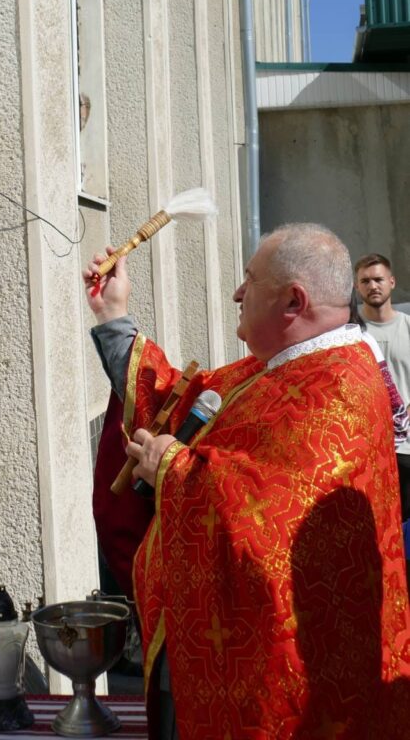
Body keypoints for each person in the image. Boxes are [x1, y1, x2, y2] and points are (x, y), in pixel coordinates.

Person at [84, 223, 410, 739]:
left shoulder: (339, 386)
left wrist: (172, 467)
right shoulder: (280, 369)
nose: (237, 292)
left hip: (283, 677)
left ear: (292, 302)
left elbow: (269, 523)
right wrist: (113, 315)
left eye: (251, 281)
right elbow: (178, 399)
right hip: (219, 646)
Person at [356, 254, 410, 523]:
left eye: (378, 279)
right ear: (357, 287)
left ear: (391, 282)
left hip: (406, 449)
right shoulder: (350, 333)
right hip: (366, 450)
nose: (372, 285)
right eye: (365, 281)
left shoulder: (408, 326)